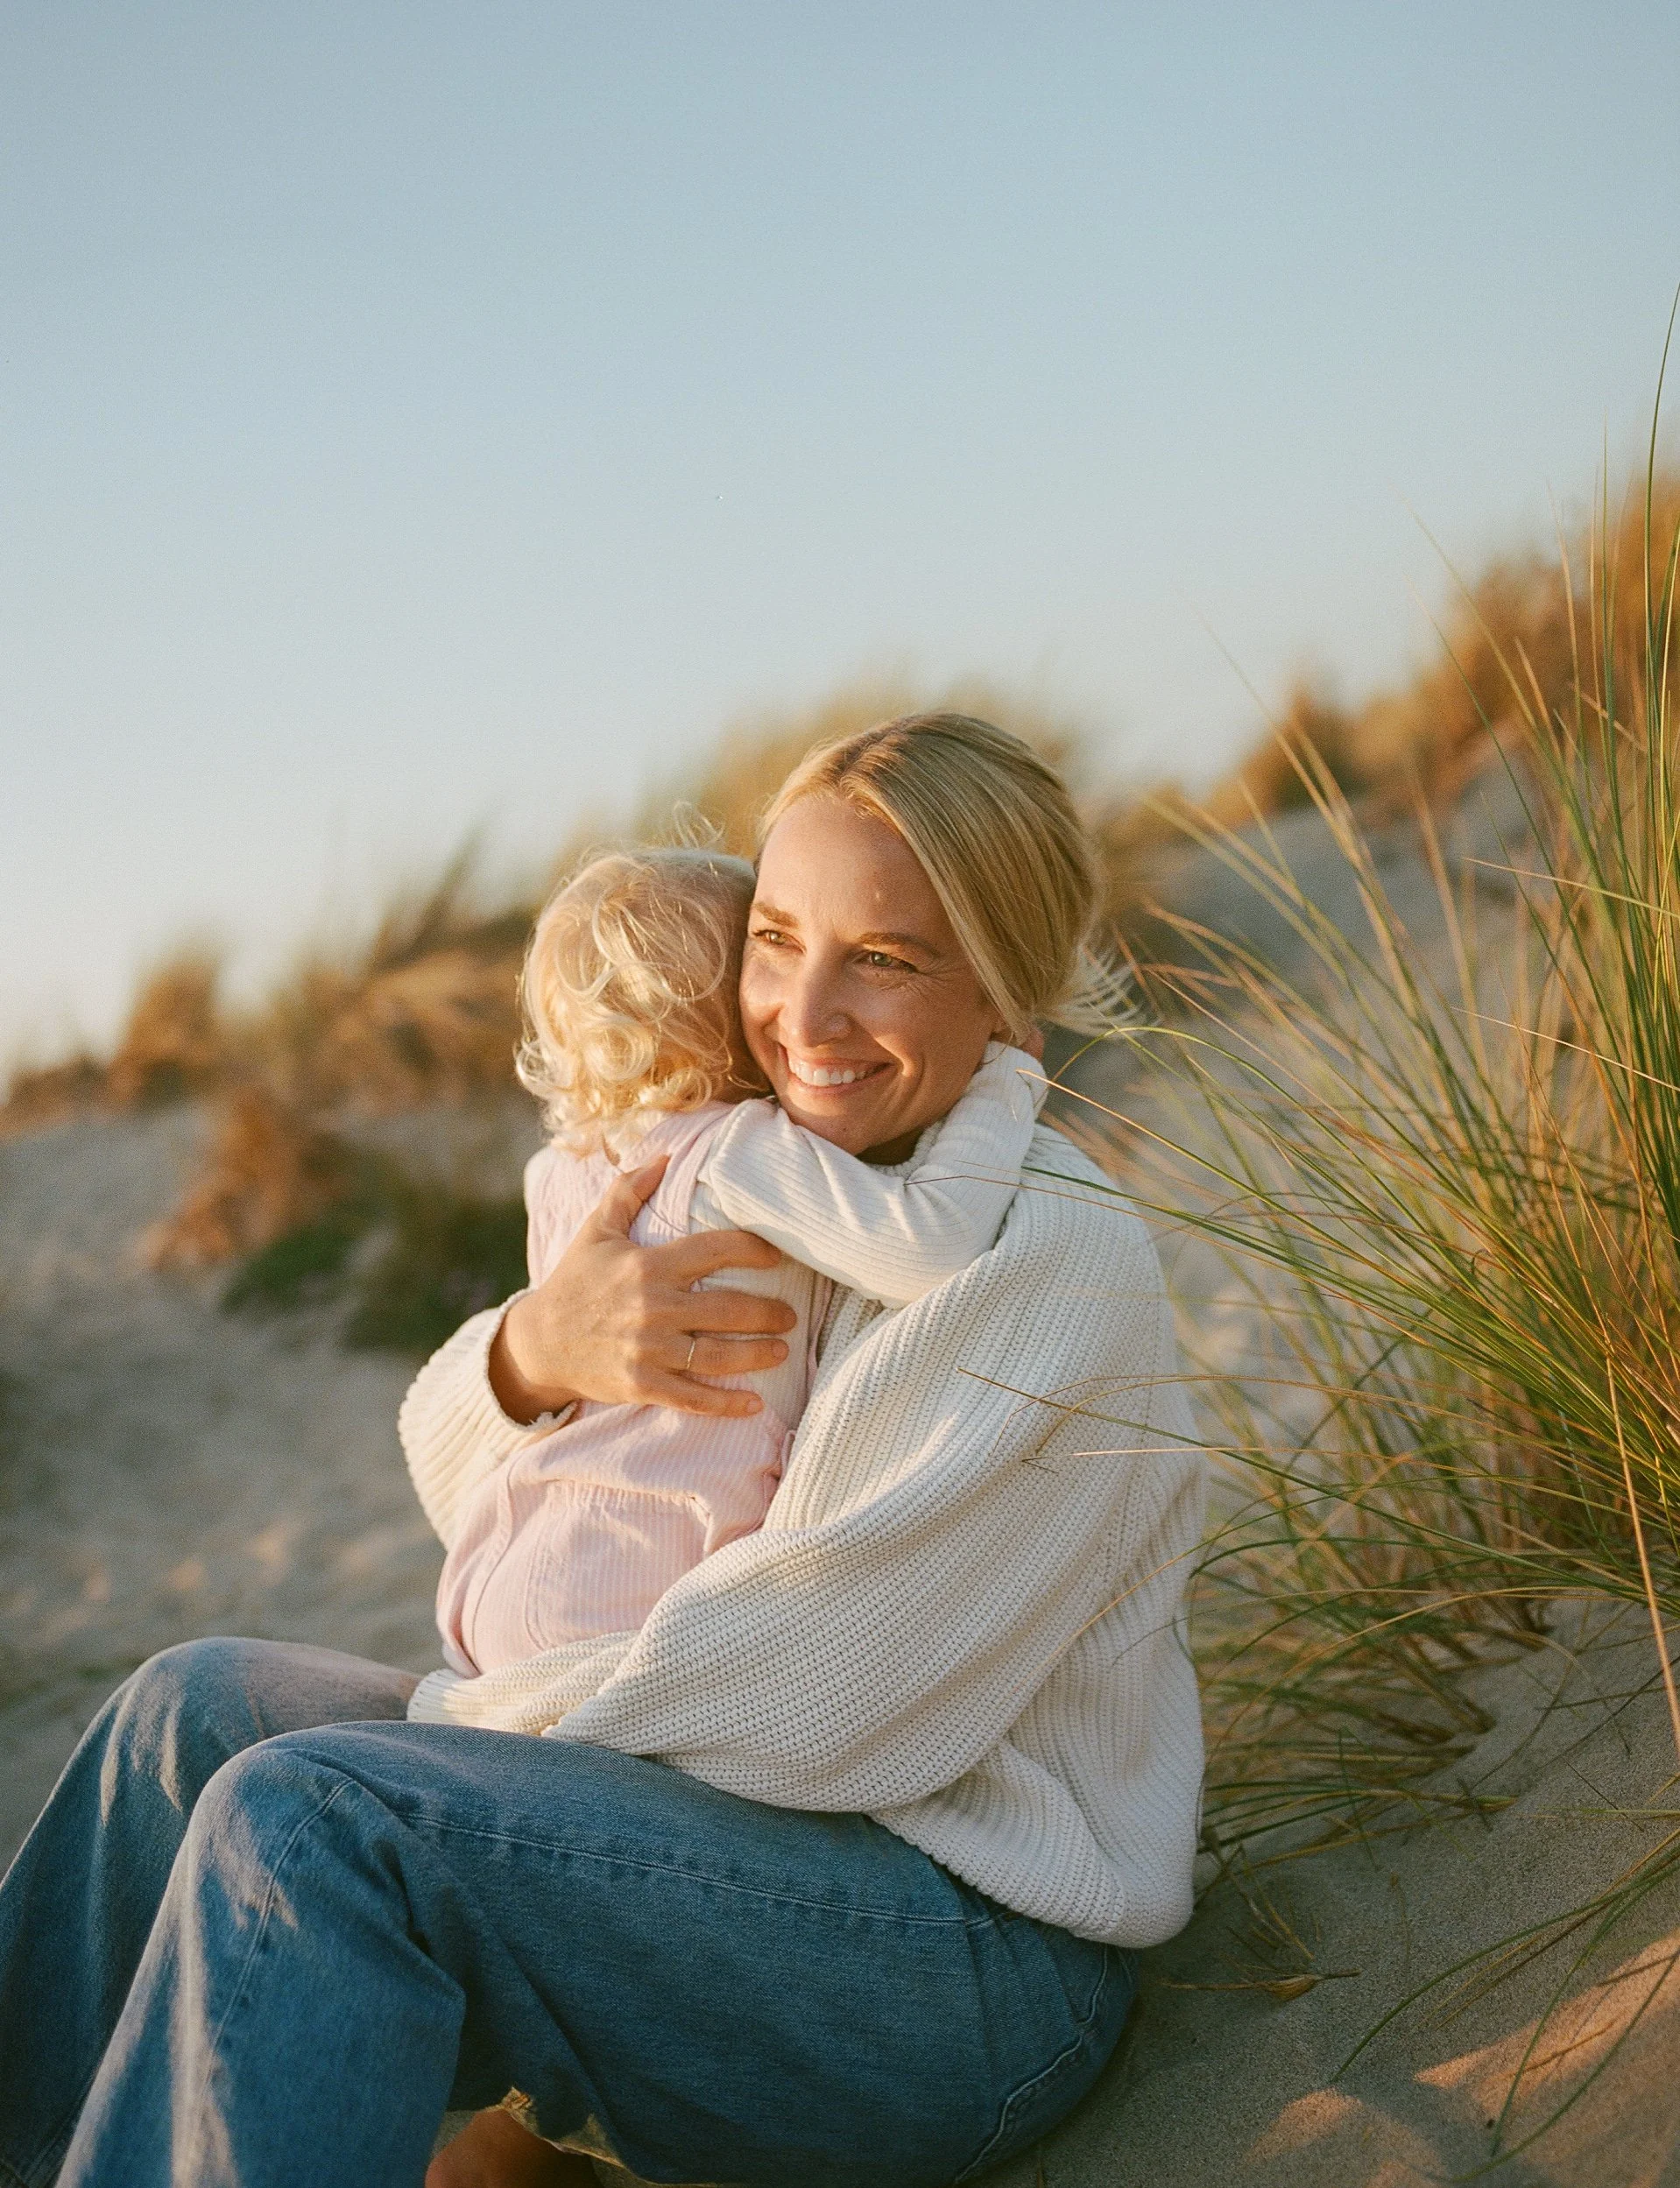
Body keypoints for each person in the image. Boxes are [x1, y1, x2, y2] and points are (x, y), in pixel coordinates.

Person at [0, 714, 1206, 2188]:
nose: (803, 1015)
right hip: (737, 1844)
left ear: (1007, 989)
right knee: (187, 1712)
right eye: (773, 938)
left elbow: (801, 1702)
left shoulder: (1038, 1256)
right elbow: (513, 1501)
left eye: (884, 958)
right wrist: (530, 1353)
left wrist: (452, 1728)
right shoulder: (784, 1162)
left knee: (313, 1812)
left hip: (960, 1957)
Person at [423, 837, 1044, 1688]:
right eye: (772, 951)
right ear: (729, 1009)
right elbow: (925, 1239)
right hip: (635, 1583)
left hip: (507, 1559)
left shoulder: (560, 1168)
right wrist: (1001, 1082)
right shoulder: (735, 1150)